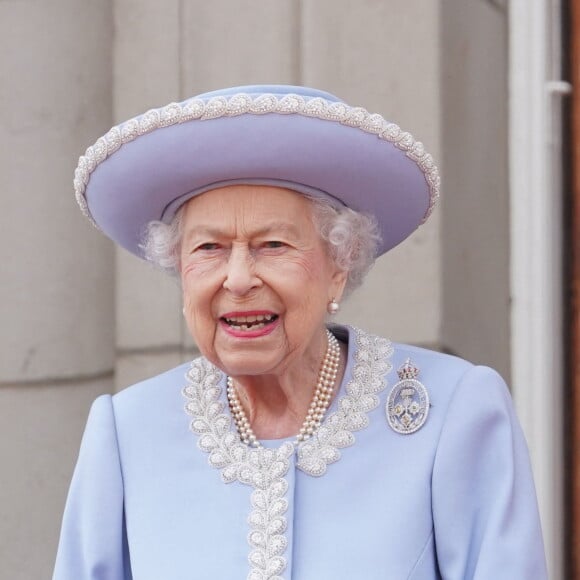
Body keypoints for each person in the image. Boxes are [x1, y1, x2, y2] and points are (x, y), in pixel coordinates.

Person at [54, 85, 547, 579]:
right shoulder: (127, 431)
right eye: (209, 248)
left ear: (339, 264)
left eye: (272, 244)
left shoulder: (451, 413)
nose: (240, 277)